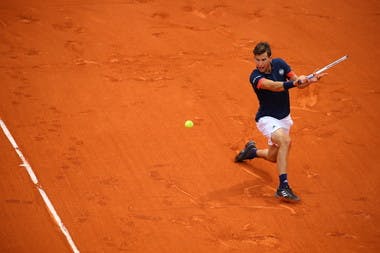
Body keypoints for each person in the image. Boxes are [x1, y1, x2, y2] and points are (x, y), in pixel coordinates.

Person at [234, 41, 325, 202]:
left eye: (263, 59)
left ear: (270, 58)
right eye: (257, 60)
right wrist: (294, 83)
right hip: (266, 118)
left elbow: (297, 83)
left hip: (284, 119)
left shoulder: (280, 64)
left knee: (272, 157)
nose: (259, 63)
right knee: (285, 141)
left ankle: (252, 151)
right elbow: (275, 86)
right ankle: (283, 187)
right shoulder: (255, 77)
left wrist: (308, 81)